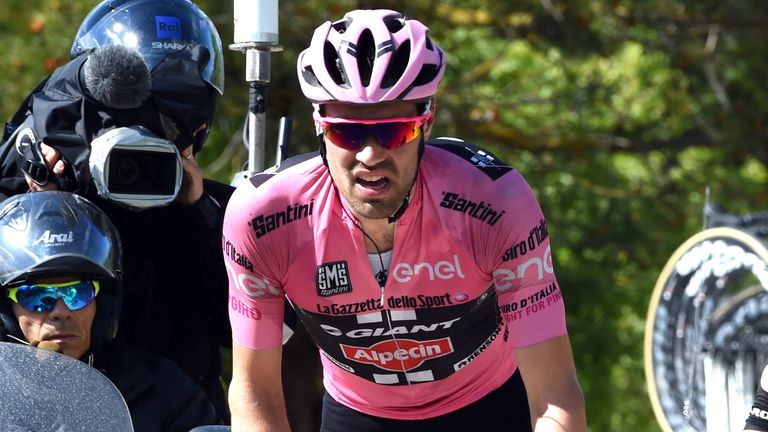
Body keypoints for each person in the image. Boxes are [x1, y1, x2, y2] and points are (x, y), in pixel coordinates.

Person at [223, 8, 587, 432]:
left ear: (425, 123)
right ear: (319, 125)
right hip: (358, 412)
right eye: (348, 132)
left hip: (487, 405)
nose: (370, 155)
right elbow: (254, 392)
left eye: (395, 132)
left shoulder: (495, 205)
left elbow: (555, 397)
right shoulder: (264, 218)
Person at [0, 0, 233, 420]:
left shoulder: (210, 209)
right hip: (37, 409)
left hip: (176, 413)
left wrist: (200, 215)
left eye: (169, 122)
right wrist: (39, 206)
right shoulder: (35, 172)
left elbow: (256, 329)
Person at [0, 190, 221, 432]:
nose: (61, 311)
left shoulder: (162, 389)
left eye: (78, 293)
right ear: (7, 310)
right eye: (37, 297)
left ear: (104, 303)